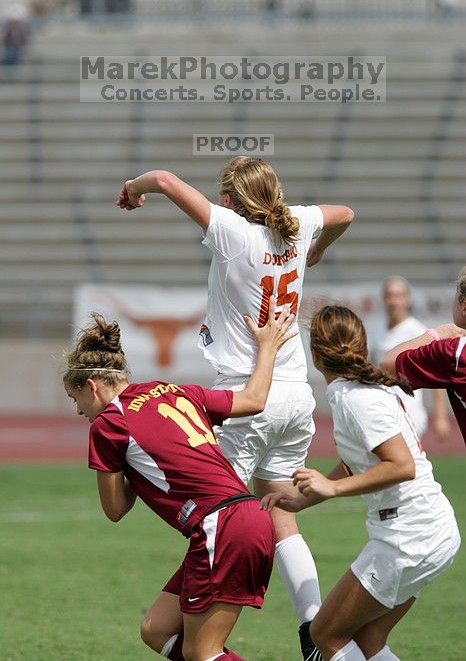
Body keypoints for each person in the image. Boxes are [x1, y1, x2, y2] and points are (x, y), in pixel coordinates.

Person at [116, 157, 355, 660]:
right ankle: (313, 628)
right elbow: (346, 213)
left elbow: (162, 180)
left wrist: (132, 189)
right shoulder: (297, 223)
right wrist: (314, 252)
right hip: (295, 393)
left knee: (217, 516)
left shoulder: (235, 233)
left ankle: (195, 635)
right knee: (279, 508)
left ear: (230, 199)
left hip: (247, 397)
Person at [63, 298, 295, 661]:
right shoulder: (175, 391)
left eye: (76, 400)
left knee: (204, 653)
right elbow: (253, 399)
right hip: (242, 517)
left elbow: (115, 509)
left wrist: (127, 460)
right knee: (156, 628)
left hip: (221, 525)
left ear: (91, 386)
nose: (80, 412)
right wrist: (267, 346)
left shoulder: (109, 424)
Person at [262, 305, 461, 661]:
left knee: (325, 633)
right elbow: (361, 461)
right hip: (431, 530)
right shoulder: (359, 390)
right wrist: (303, 500)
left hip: (408, 535)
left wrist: (332, 487)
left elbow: (400, 465)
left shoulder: (356, 399)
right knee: (369, 640)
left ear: (316, 355)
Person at [381, 267, 466, 446]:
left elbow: (387, 364)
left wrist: (435, 334)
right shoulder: (376, 329)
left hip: (407, 410)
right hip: (386, 404)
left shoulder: (454, 351)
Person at [374, 275, 450, 441]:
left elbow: (437, 375)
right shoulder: (377, 330)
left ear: (408, 300)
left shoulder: (417, 332)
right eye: (389, 295)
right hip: (383, 410)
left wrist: (441, 416)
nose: (393, 301)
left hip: (409, 411)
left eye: (399, 296)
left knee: (405, 464)